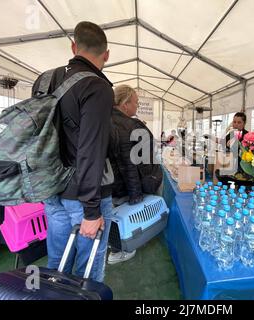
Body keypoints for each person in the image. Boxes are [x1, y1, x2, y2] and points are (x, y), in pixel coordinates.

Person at [31, 21, 114, 283]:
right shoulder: (97, 87)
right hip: (83, 194)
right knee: (87, 269)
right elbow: (90, 150)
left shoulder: (44, 80)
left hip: (50, 189)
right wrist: (92, 211)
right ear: (107, 54)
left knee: (57, 262)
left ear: (73, 46)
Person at [108, 84, 163, 264]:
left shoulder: (105, 119)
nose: (137, 107)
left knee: (113, 215)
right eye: (136, 103)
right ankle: (121, 250)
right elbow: (129, 164)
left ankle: (114, 245)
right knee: (124, 220)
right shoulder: (129, 126)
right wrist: (136, 194)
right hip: (124, 185)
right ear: (125, 104)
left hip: (109, 183)